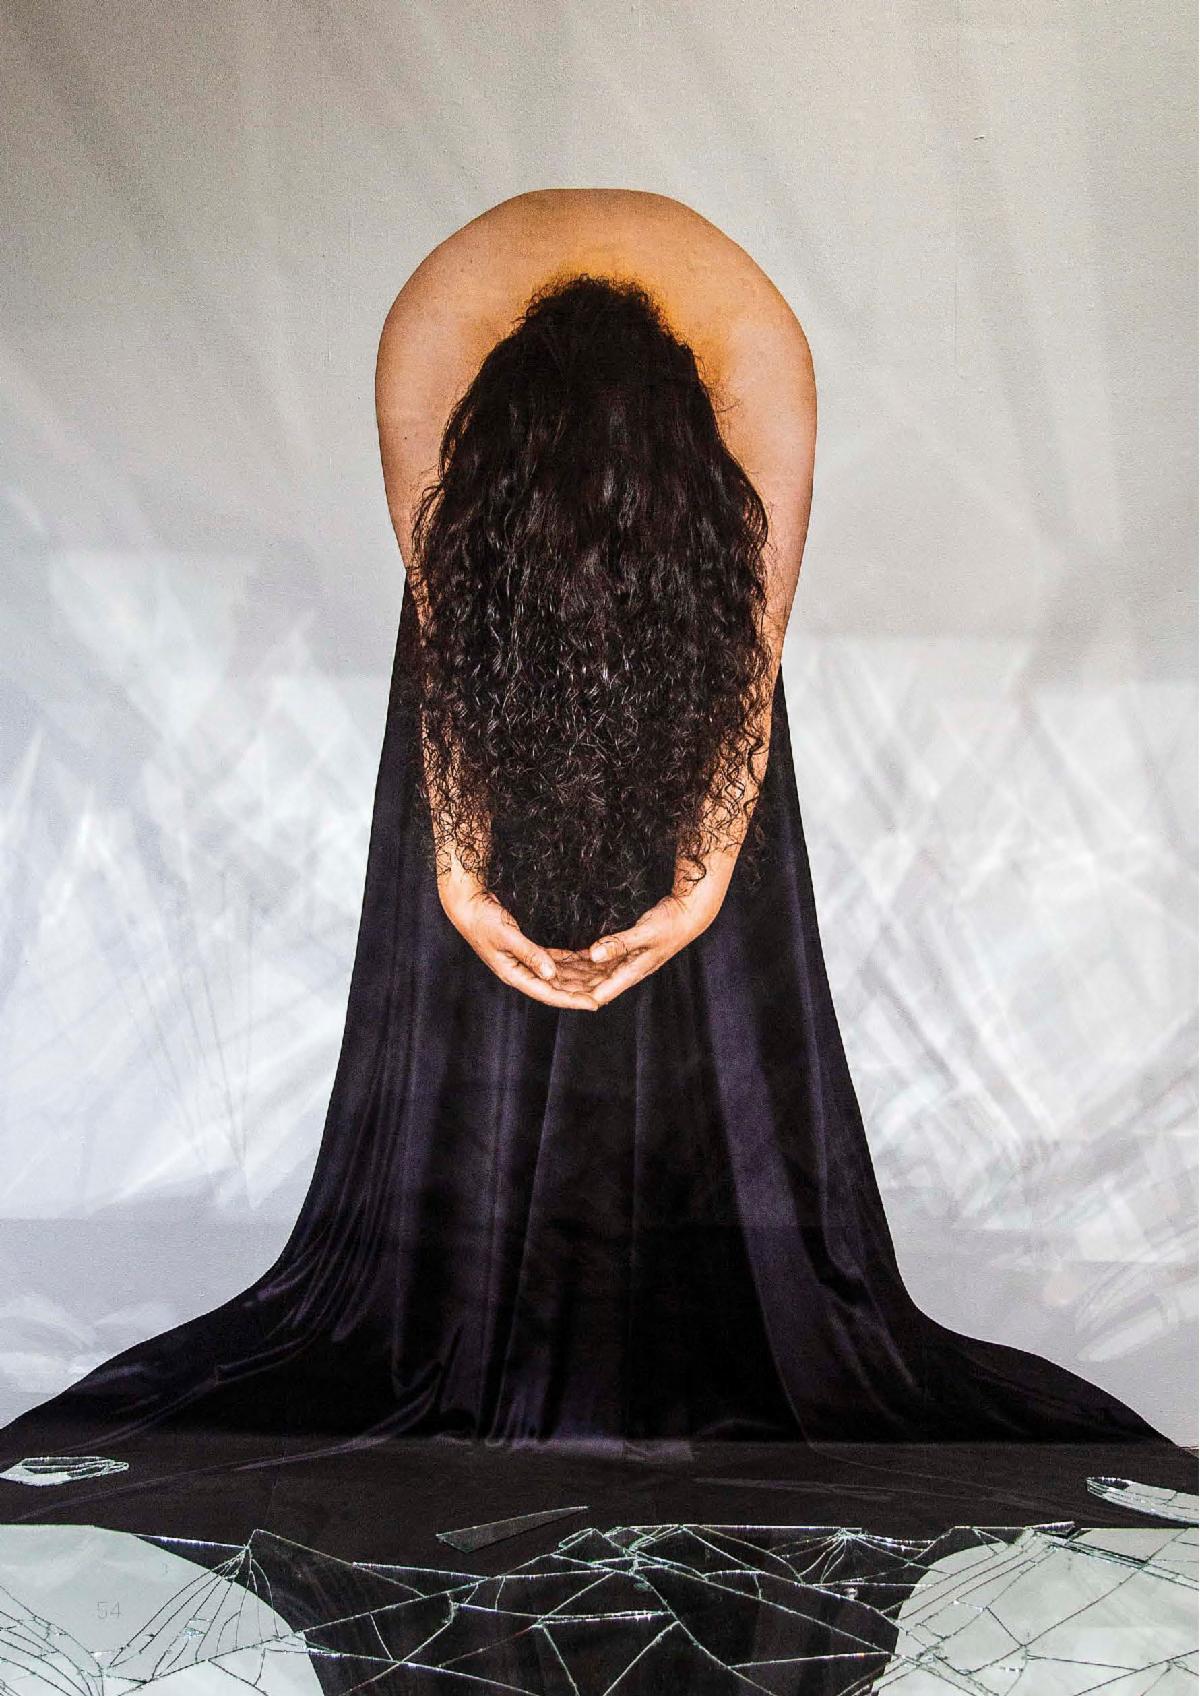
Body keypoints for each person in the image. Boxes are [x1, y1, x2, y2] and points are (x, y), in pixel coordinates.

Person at [0, 190, 1167, 1453]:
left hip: (690, 631)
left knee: (681, 789)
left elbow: (751, 658)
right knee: (505, 734)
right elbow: (448, 636)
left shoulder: (759, 362)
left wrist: (704, 879)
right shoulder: (430, 348)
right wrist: (461, 868)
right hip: (495, 638)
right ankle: (493, 1262)